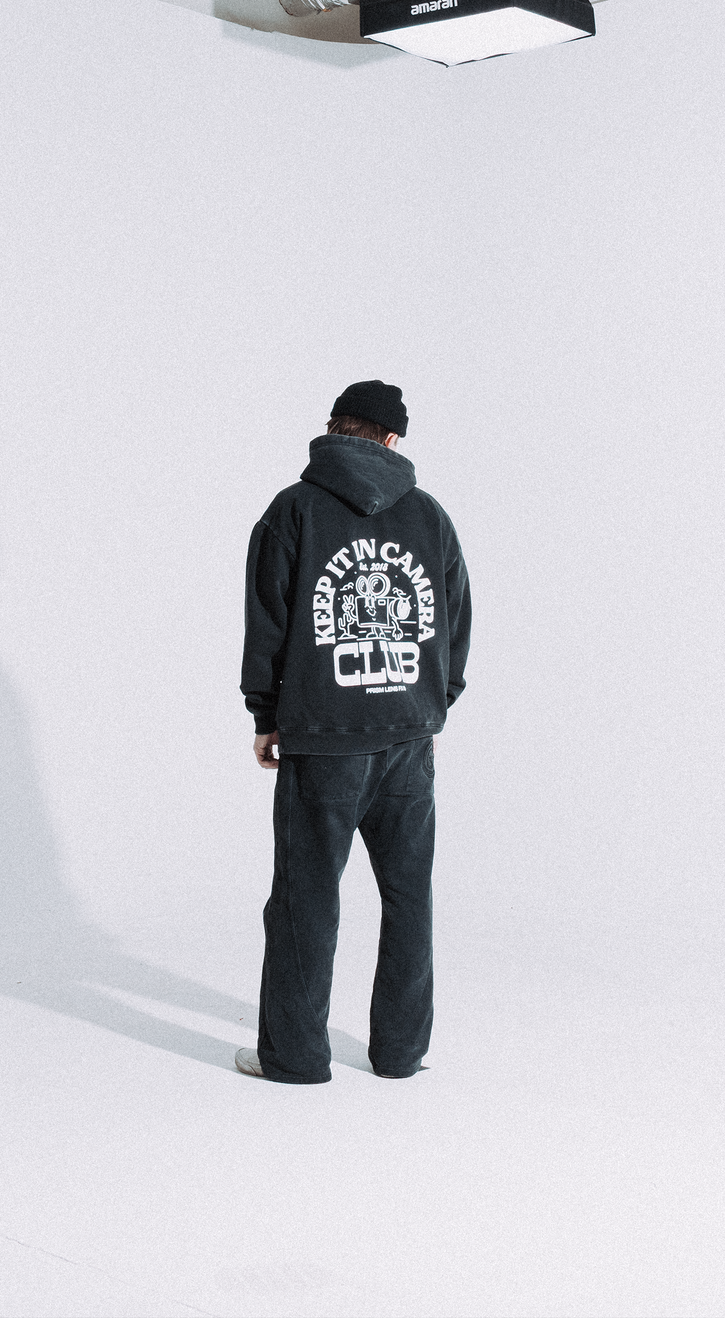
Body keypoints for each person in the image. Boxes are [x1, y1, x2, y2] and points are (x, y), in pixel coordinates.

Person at [235, 380, 471, 1083]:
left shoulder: (293, 510)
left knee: (305, 899)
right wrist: (431, 703)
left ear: (335, 428)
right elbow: (454, 621)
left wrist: (265, 715)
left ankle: (295, 1057)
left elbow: (268, 621)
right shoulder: (429, 517)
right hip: (408, 742)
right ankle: (400, 1053)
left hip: (323, 738)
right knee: (409, 900)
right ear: (393, 439)